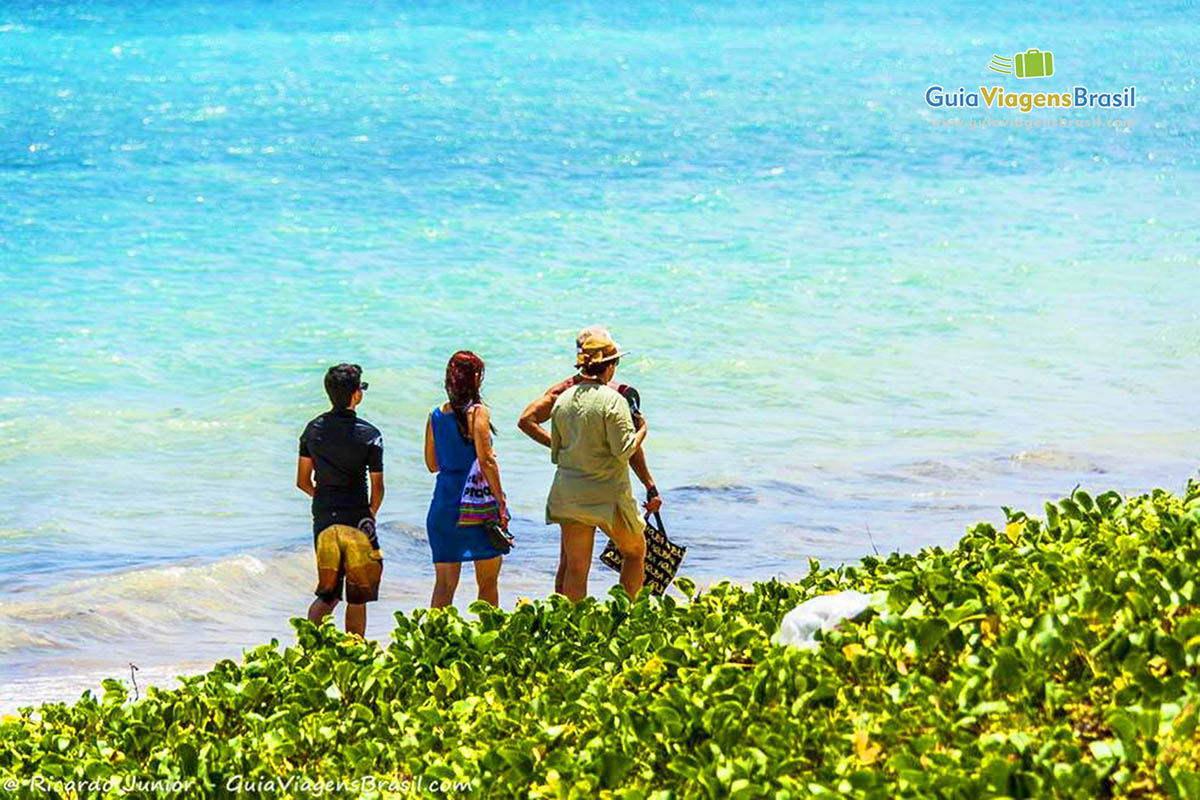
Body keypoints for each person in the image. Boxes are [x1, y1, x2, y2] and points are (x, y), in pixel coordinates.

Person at [518, 325, 661, 594]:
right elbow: (625, 450)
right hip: (609, 496)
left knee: (574, 567)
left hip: (569, 493)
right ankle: (627, 617)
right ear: (609, 365)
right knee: (635, 552)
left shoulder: (562, 397)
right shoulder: (616, 398)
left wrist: (573, 451)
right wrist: (643, 430)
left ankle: (570, 628)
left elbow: (553, 444)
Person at [296, 364, 384, 637]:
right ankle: (354, 651)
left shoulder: (312, 430)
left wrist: (322, 498)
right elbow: (378, 489)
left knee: (328, 594)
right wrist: (368, 512)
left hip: (324, 517)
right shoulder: (370, 434)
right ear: (356, 394)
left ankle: (308, 652)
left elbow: (302, 481)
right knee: (358, 596)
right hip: (357, 516)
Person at [424, 351, 507, 608]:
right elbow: (487, 461)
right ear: (476, 378)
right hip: (478, 508)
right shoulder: (478, 413)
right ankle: (487, 639)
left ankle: (434, 642)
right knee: (488, 584)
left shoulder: (435, 416)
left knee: (444, 586)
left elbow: (432, 465)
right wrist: (501, 499)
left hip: (444, 507)